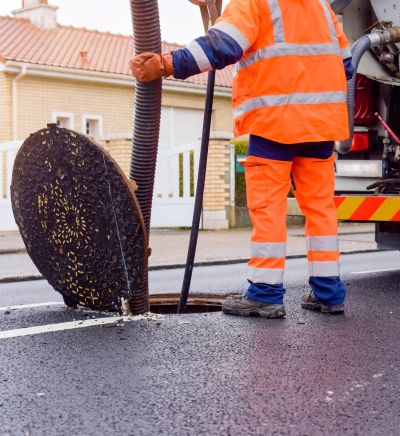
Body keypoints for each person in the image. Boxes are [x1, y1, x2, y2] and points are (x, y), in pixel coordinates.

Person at [130, 0, 354, 318]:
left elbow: (224, 44)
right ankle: (329, 293)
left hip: (274, 123)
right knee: (321, 211)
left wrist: (167, 64)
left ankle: (265, 294)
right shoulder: (321, 7)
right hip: (321, 126)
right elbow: (345, 64)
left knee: (268, 211)